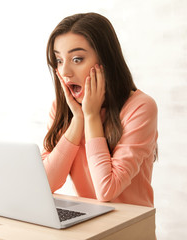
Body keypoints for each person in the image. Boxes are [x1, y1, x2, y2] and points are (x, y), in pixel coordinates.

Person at [41, 12, 158, 208]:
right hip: (89, 229)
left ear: (105, 62)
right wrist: (78, 119)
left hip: (131, 230)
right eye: (59, 60)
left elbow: (106, 190)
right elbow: (45, 183)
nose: (65, 72)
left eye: (77, 59)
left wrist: (92, 116)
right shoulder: (62, 110)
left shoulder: (140, 107)